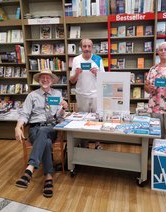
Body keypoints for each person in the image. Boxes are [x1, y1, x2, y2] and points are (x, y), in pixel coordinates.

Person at [15, 69, 68, 198]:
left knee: (45, 132)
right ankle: (49, 177)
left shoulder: (57, 94)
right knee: (46, 141)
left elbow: (59, 116)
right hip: (34, 129)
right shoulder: (32, 96)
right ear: (39, 80)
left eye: (48, 78)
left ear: (52, 81)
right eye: (42, 78)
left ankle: (30, 168)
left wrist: (64, 108)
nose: (45, 80)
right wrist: (17, 127)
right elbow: (24, 114)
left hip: (51, 128)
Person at [70, 38, 105, 149]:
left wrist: (97, 73)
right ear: (81, 48)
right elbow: (72, 80)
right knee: (83, 121)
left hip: (96, 95)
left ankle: (97, 143)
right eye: (84, 46)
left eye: (89, 46)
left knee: (97, 120)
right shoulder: (76, 59)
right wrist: (76, 73)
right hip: (81, 95)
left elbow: (104, 79)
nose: (87, 49)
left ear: (92, 47)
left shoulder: (97, 59)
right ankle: (84, 143)